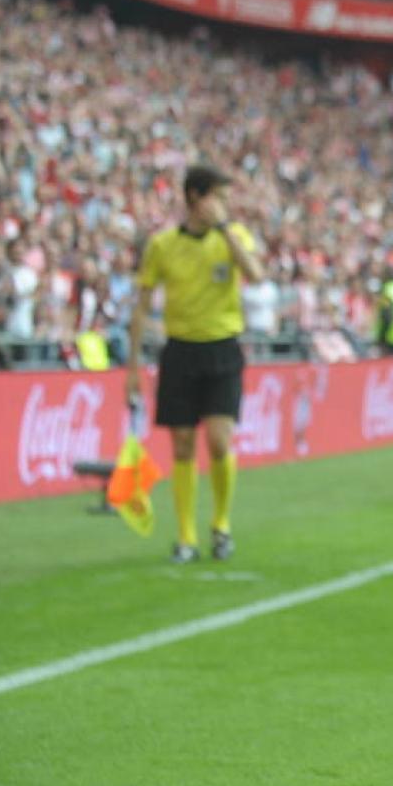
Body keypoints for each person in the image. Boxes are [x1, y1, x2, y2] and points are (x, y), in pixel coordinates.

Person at [126, 165, 269, 563]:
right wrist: (133, 369)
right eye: (219, 197)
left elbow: (256, 275)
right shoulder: (162, 244)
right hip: (180, 350)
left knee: (220, 440)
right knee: (183, 444)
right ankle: (186, 536)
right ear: (194, 197)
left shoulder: (233, 236)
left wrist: (224, 230)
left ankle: (221, 525)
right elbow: (140, 308)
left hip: (223, 348)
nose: (225, 205)